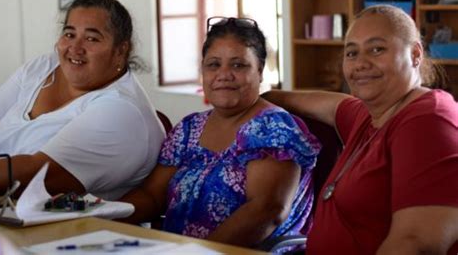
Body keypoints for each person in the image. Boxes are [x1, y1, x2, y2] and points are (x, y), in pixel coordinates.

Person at [264, 5, 458, 254]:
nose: (361, 63)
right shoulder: (370, 115)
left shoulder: (428, 120)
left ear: (415, 54)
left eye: (377, 49)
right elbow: (327, 105)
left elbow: (415, 244)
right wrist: (259, 98)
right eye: (351, 53)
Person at [120, 17, 321, 248]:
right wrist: (101, 217)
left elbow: (267, 211)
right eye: (214, 64)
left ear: (260, 71)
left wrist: (198, 253)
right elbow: (152, 196)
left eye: (238, 65)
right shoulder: (188, 129)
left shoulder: (273, 129)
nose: (224, 74)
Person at [0, 0, 165, 201]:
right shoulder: (42, 67)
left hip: (68, 232)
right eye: (69, 34)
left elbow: (34, 175)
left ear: (121, 51)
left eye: (92, 39)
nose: (75, 48)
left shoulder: (121, 111)